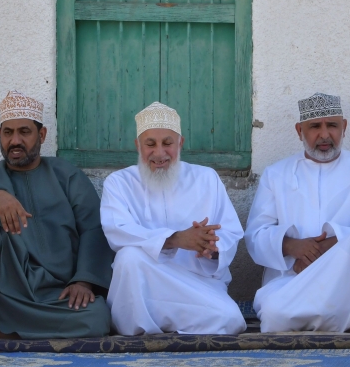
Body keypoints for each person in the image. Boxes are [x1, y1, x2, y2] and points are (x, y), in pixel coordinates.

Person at [0, 91, 112, 354]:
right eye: (7, 133)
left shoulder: (67, 176)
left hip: (55, 293)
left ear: (41, 136)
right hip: (3, 290)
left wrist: (84, 281)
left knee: (97, 317)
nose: (15, 141)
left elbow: (93, 227)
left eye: (24, 132)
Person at [245, 93, 350, 333]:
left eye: (332, 125)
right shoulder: (276, 174)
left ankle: (335, 316)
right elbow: (256, 235)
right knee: (273, 312)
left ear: (344, 127)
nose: (324, 135)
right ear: (299, 130)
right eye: (315, 126)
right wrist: (292, 247)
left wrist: (321, 252)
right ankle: (338, 320)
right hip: (293, 280)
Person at [100, 102, 246, 335]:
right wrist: (177, 239)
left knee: (230, 320)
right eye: (150, 144)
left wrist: (211, 246)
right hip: (143, 286)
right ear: (138, 145)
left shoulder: (206, 178)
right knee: (129, 257)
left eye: (168, 143)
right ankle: (141, 331)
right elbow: (118, 232)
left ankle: (160, 332)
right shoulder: (119, 183)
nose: (159, 153)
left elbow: (230, 232)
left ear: (181, 143)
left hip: (195, 284)